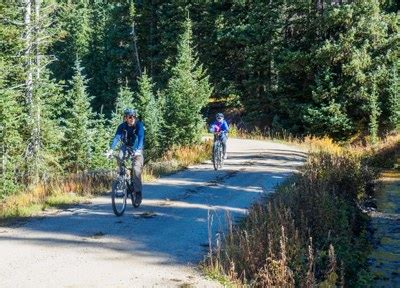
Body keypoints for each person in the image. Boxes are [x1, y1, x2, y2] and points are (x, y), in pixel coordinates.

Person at [106, 108, 145, 204]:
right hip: (126, 146)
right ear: (126, 118)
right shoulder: (122, 126)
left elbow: (141, 137)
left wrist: (139, 150)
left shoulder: (139, 125)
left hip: (137, 148)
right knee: (119, 156)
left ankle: (138, 192)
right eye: (129, 117)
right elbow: (117, 137)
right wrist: (111, 150)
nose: (131, 119)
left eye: (133, 117)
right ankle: (122, 177)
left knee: (136, 169)